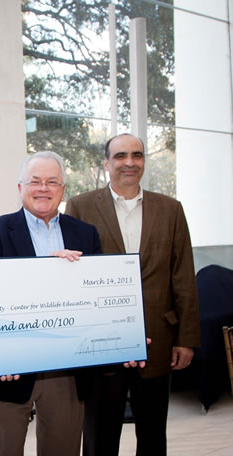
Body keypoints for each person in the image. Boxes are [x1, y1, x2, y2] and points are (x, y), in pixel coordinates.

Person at [65, 133, 200, 456]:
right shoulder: (80, 206)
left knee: (153, 435)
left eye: (137, 155)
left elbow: (182, 276)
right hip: (101, 343)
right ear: (106, 163)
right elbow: (71, 277)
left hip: (158, 337)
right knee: (99, 434)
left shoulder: (170, 209)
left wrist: (186, 338)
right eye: (121, 155)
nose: (130, 162)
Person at [0, 151, 102, 456]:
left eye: (52, 182)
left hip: (66, 367)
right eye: (35, 181)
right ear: (20, 188)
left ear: (62, 190)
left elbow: (95, 300)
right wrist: (49, 270)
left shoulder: (85, 234)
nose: (43, 188)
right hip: (9, 364)